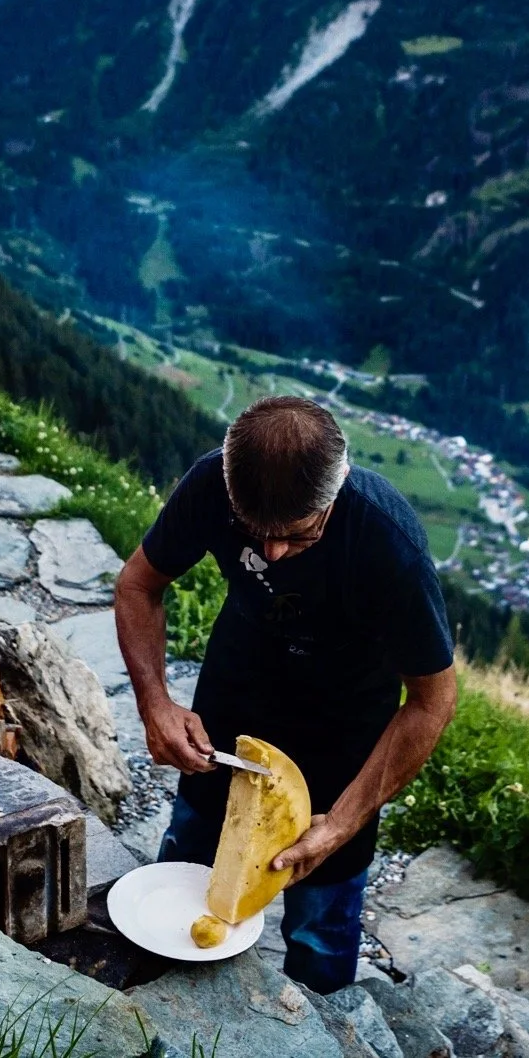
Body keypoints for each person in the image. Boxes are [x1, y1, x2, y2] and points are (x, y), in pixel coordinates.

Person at [113, 396, 458, 994]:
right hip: (230, 715)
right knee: (184, 883)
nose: (271, 553)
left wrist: (343, 824)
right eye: (255, 534)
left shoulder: (386, 542)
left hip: (342, 742)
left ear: (334, 493)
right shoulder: (210, 484)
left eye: (297, 537)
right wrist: (156, 704)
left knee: (321, 934)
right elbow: (138, 585)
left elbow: (433, 701)